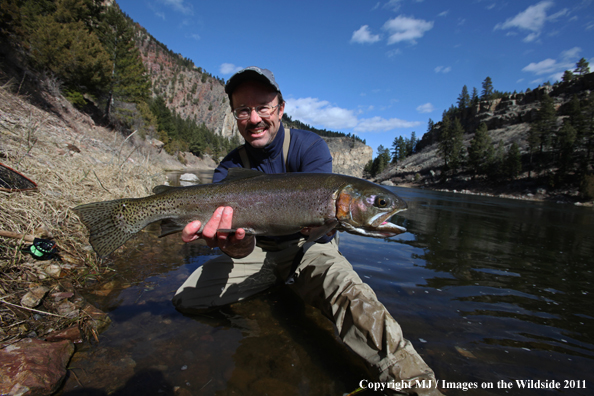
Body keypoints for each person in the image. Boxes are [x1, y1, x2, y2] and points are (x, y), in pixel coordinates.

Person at [172, 66, 442, 395]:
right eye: (244, 110)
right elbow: (236, 246)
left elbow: (323, 229)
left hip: (309, 246)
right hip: (255, 250)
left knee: (353, 299)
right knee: (187, 299)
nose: (254, 118)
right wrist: (233, 245)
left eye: (263, 108)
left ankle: (417, 386)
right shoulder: (230, 168)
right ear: (235, 115)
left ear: (281, 109)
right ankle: (264, 315)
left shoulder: (310, 147)